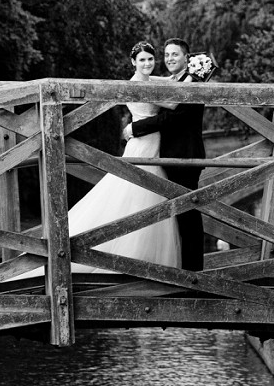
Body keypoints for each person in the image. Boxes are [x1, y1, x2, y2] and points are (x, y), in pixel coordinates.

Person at [15, 41, 181, 279]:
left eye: (151, 59)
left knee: (152, 194)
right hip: (143, 143)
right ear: (133, 62)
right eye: (142, 60)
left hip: (152, 141)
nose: (147, 64)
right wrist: (187, 83)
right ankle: (127, 258)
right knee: (138, 194)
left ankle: (148, 262)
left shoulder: (150, 81)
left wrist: (186, 75)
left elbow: (164, 82)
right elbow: (174, 102)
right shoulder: (136, 85)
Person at [123, 37, 206, 271]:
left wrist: (134, 128)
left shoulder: (192, 84)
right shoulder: (177, 81)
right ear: (134, 62)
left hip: (185, 157)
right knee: (156, 209)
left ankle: (193, 274)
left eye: (175, 54)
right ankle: (164, 264)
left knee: (188, 214)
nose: (169, 58)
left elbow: (173, 116)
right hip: (160, 153)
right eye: (167, 54)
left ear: (186, 58)